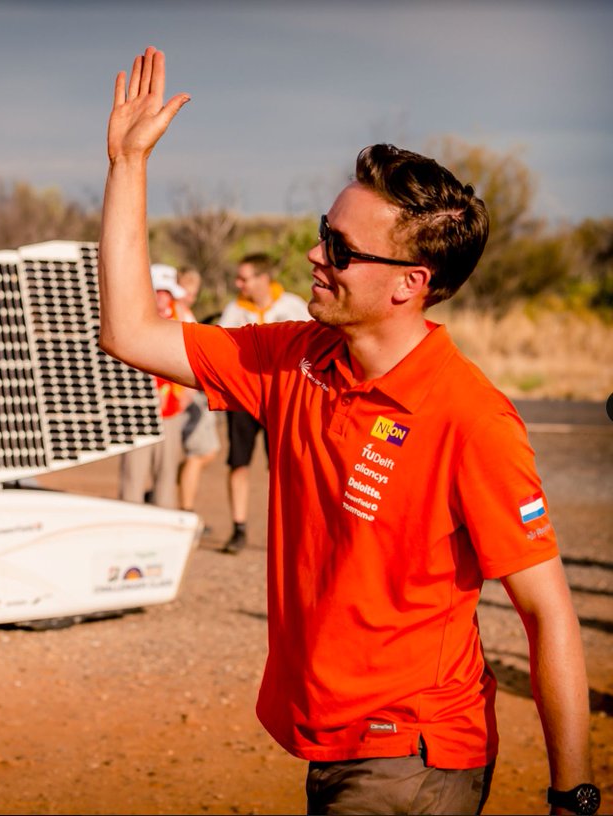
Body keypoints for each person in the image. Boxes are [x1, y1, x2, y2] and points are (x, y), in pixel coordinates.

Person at [96, 47, 596, 815]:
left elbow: (547, 609)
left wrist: (574, 794)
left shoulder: (471, 418)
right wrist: (128, 165)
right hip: (332, 738)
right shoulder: (293, 356)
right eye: (321, 230)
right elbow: (131, 331)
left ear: (409, 284)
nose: (312, 255)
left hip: (414, 751)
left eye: (339, 248)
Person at [216, 253, 310, 553]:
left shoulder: (293, 305)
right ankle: (239, 529)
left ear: (263, 279)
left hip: (282, 399)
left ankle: (284, 531)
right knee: (238, 464)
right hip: (243, 400)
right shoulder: (233, 310)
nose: (238, 283)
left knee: (281, 468)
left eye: (244, 278)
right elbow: (221, 348)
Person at [119, 263, 191, 508]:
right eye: (157, 291)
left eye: (166, 292)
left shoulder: (183, 318)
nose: (162, 298)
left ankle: (165, 521)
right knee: (132, 477)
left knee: (166, 475)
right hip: (137, 411)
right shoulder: (129, 317)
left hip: (170, 411)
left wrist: (187, 393)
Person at [175, 267, 220, 537]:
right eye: (187, 289)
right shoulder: (176, 312)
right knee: (199, 453)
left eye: (194, 290)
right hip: (186, 395)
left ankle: (178, 496)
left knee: (204, 453)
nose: (191, 295)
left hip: (194, 395)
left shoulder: (184, 311)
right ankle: (186, 509)